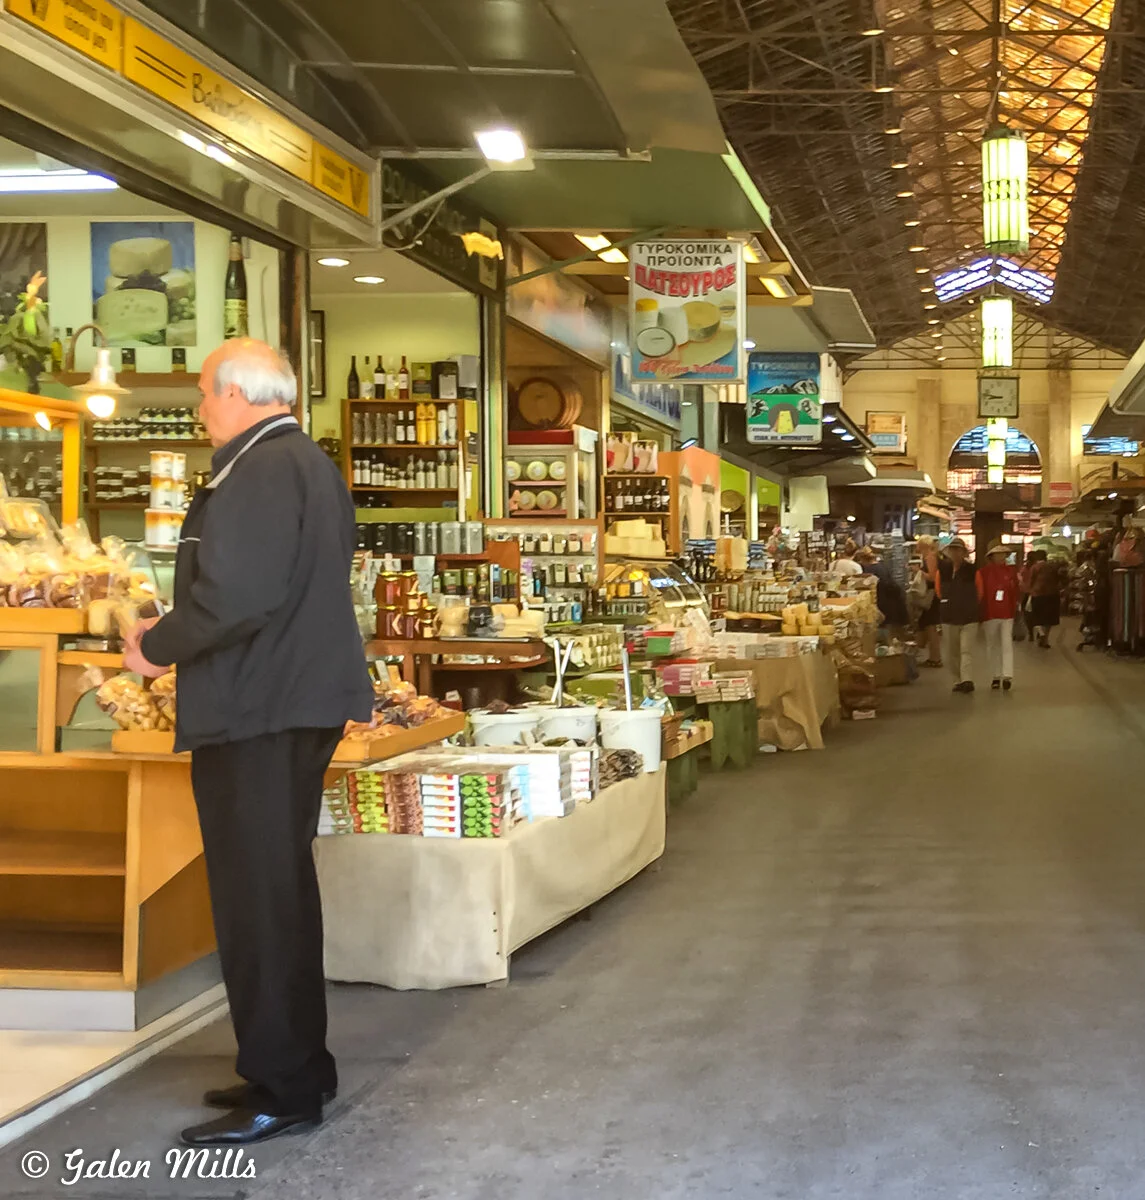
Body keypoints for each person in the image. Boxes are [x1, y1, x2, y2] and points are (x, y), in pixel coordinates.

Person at [123, 339, 374, 1147]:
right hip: (282, 701)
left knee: (258, 898)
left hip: (260, 706)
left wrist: (156, 648)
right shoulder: (302, 464)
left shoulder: (261, 469)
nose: (201, 408)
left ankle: (285, 1087)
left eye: (205, 392)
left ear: (238, 393)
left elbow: (237, 596)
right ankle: (291, 1067)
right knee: (275, 892)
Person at [936, 537, 979, 693]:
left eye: (958, 550)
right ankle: (957, 679)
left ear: (963, 552)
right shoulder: (943, 570)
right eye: (953, 550)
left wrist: (971, 605)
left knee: (966, 650)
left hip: (969, 616)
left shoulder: (973, 570)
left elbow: (980, 591)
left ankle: (967, 679)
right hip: (949, 616)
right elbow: (938, 591)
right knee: (951, 652)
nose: (955, 553)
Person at [977, 539, 1020, 691]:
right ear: (992, 556)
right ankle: (995, 675)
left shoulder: (1011, 571)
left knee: (1006, 644)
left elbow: (1015, 591)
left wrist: (1015, 607)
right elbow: (980, 593)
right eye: (998, 554)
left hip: (1007, 613)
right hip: (989, 613)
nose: (1001, 557)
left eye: (1003, 554)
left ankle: (1007, 675)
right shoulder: (983, 573)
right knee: (992, 645)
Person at [914, 535, 942, 667]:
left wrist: (918, 571)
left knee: (930, 626)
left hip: (930, 596)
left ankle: (935, 658)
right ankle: (932, 656)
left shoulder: (930, 557)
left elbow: (932, 577)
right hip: (932, 595)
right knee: (928, 626)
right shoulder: (930, 557)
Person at [1028, 550, 1064, 649]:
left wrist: (1029, 591)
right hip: (1052, 594)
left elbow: (1031, 581)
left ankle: (1041, 633)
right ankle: (1046, 639)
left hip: (1038, 594)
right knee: (1049, 619)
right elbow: (1058, 579)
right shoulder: (1052, 567)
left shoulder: (1034, 567)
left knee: (1036, 617)